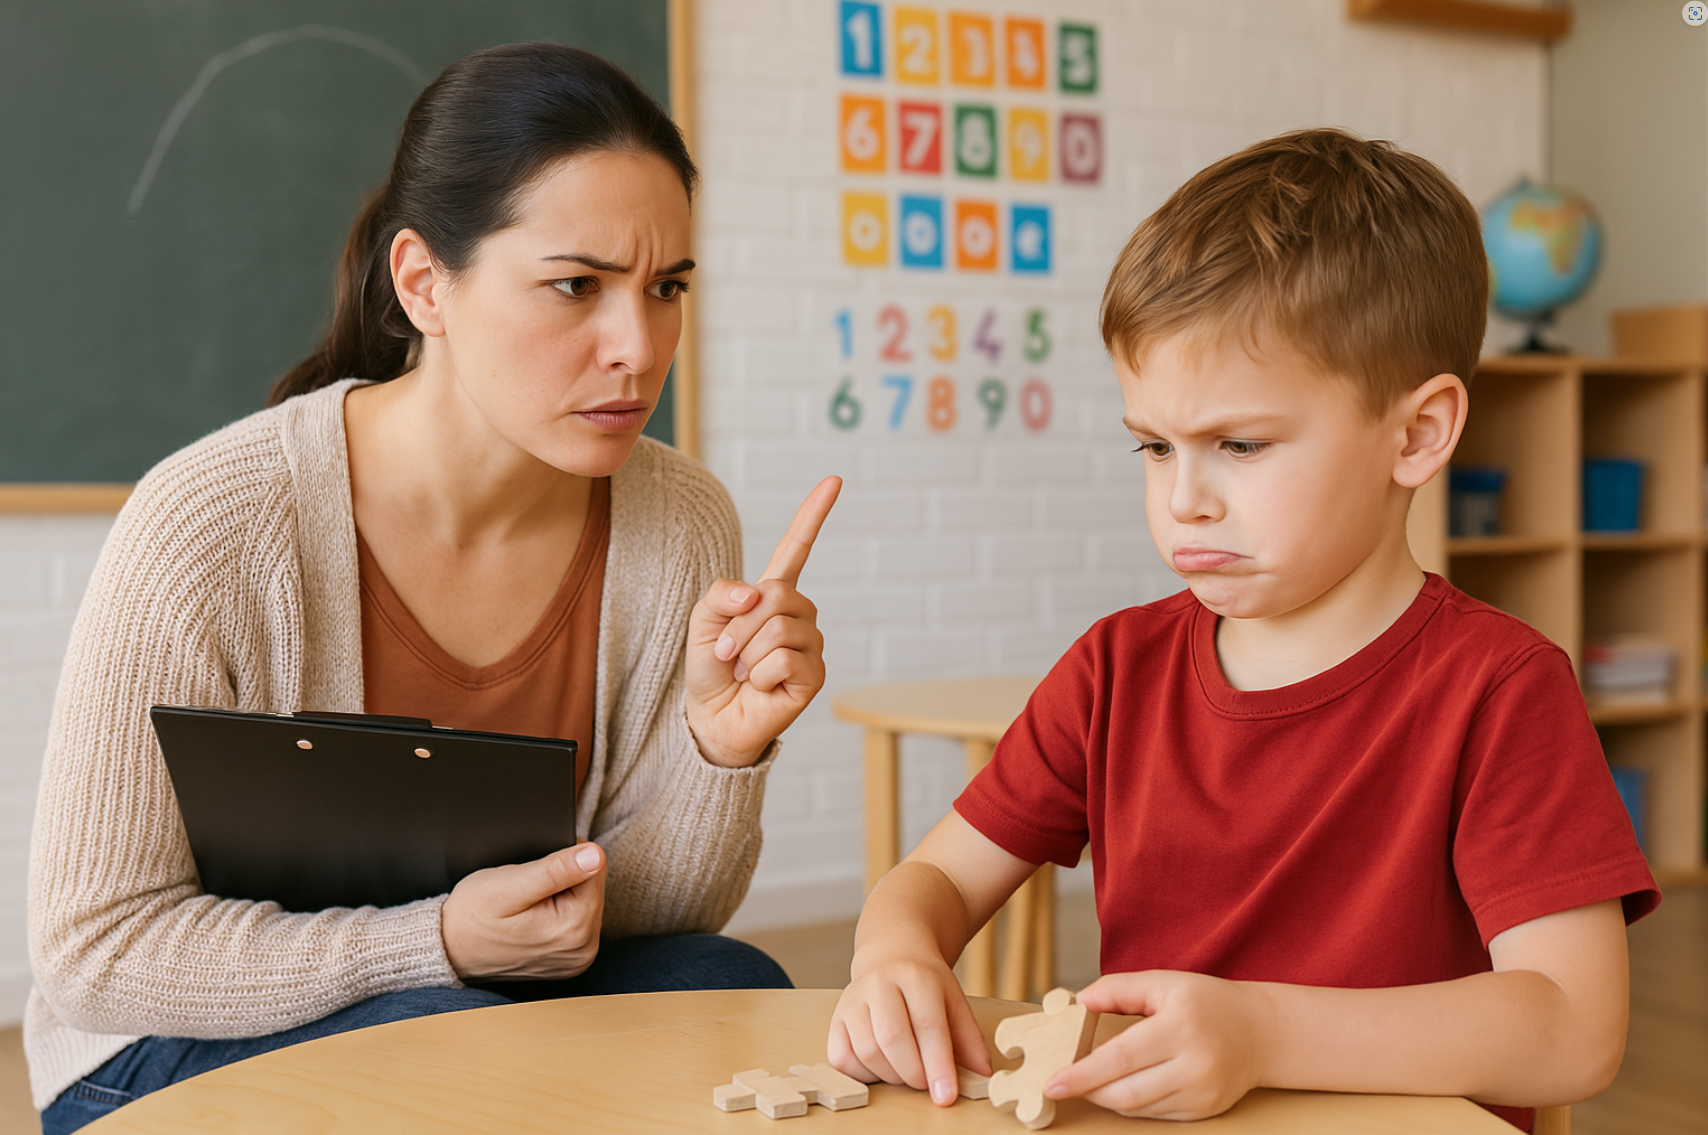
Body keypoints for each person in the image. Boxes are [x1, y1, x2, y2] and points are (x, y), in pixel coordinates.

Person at [28, 43, 837, 1132]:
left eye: (666, 288)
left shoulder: (680, 518)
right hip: (169, 1044)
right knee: (448, 1038)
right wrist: (437, 939)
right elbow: (97, 948)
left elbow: (654, 920)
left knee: (732, 985)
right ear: (423, 283)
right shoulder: (213, 521)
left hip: (477, 1004)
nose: (639, 347)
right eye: (577, 286)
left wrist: (717, 751)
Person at [827, 128, 1659, 1131]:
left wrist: (1258, 1032)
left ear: (1417, 434)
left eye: (1240, 444)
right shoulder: (1112, 670)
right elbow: (933, 878)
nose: (1184, 498)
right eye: (1153, 446)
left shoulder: (1500, 687)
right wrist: (894, 950)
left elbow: (1573, 1028)